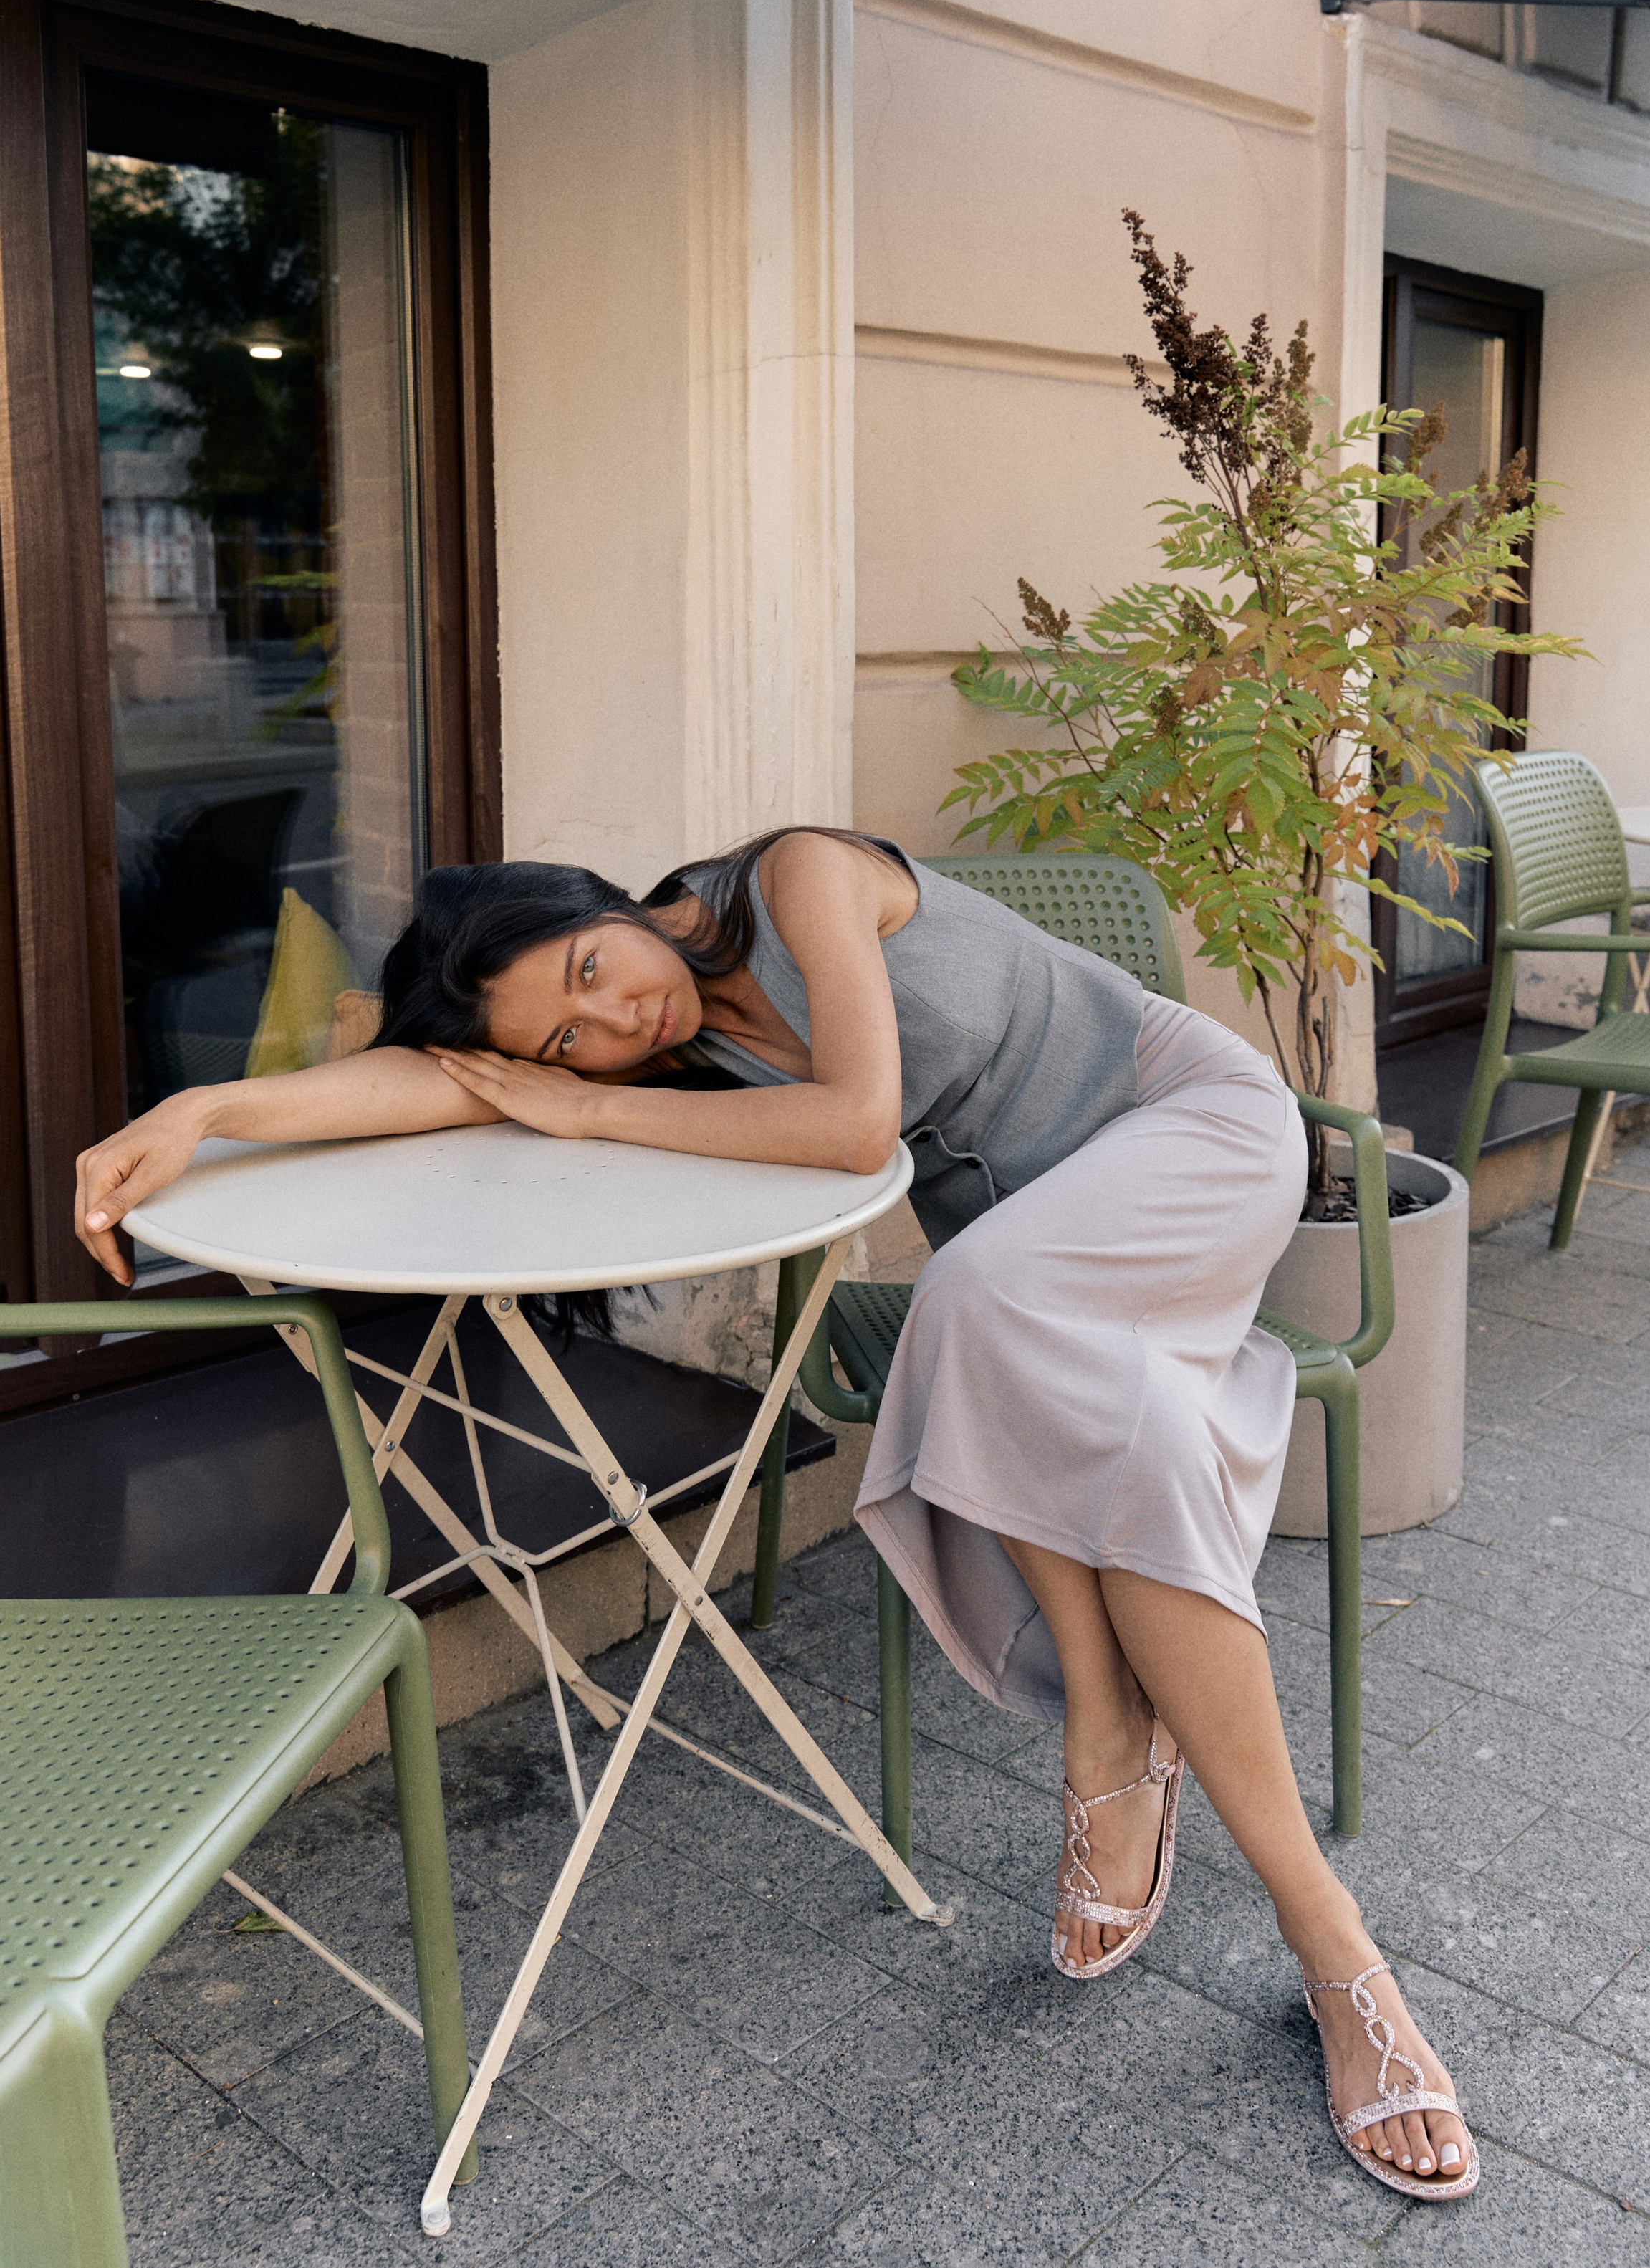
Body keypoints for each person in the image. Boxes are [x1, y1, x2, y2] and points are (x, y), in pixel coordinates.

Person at [75, 826, 1476, 2201]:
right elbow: (425, 1078)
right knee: (1103, 1421)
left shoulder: (797, 875)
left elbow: (856, 1123)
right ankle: (1313, 1932)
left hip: (1186, 1126)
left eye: (587, 965)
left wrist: (590, 1103)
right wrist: (195, 1112)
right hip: (1033, 1258)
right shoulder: (665, 1054)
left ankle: (1154, 1770)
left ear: (604, 898)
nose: (616, 1015)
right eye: (569, 1040)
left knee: (980, 1303)